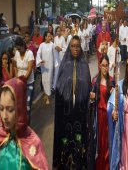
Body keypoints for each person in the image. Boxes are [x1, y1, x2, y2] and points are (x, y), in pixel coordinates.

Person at [0, 77, 49, 169]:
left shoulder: (33, 143)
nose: (4, 116)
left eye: (10, 110)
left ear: (20, 110)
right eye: (1, 109)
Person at [53, 35, 91, 169]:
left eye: (77, 46)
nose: (75, 49)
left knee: (79, 137)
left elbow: (87, 85)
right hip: (66, 112)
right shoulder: (65, 64)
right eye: (73, 46)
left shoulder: (84, 65)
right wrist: (67, 89)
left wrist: (82, 90)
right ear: (69, 48)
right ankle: (64, 162)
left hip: (79, 112)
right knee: (66, 138)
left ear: (81, 48)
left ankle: (79, 162)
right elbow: (58, 86)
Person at [88, 54, 113, 170]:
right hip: (98, 117)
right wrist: (92, 98)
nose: (105, 68)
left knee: (107, 143)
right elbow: (90, 100)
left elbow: (116, 103)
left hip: (108, 117)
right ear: (99, 66)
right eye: (103, 65)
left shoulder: (112, 81)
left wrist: (114, 94)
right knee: (99, 143)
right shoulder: (94, 81)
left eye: (106, 66)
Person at [14, 37, 35, 122]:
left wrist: (23, 80)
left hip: (29, 82)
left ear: (23, 46)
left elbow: (30, 69)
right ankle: (21, 125)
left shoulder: (29, 53)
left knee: (27, 106)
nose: (19, 51)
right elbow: (15, 67)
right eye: (17, 49)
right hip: (19, 83)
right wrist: (17, 78)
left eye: (20, 49)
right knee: (19, 106)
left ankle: (27, 127)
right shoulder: (17, 53)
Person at [36, 32, 54, 105]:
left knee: (49, 81)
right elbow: (38, 54)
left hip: (50, 66)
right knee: (44, 81)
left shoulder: (52, 44)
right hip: (44, 67)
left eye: (50, 36)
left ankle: (47, 97)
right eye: (48, 36)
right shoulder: (41, 45)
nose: (50, 37)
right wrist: (40, 60)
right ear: (45, 37)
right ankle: (46, 95)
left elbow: (55, 53)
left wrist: (56, 64)